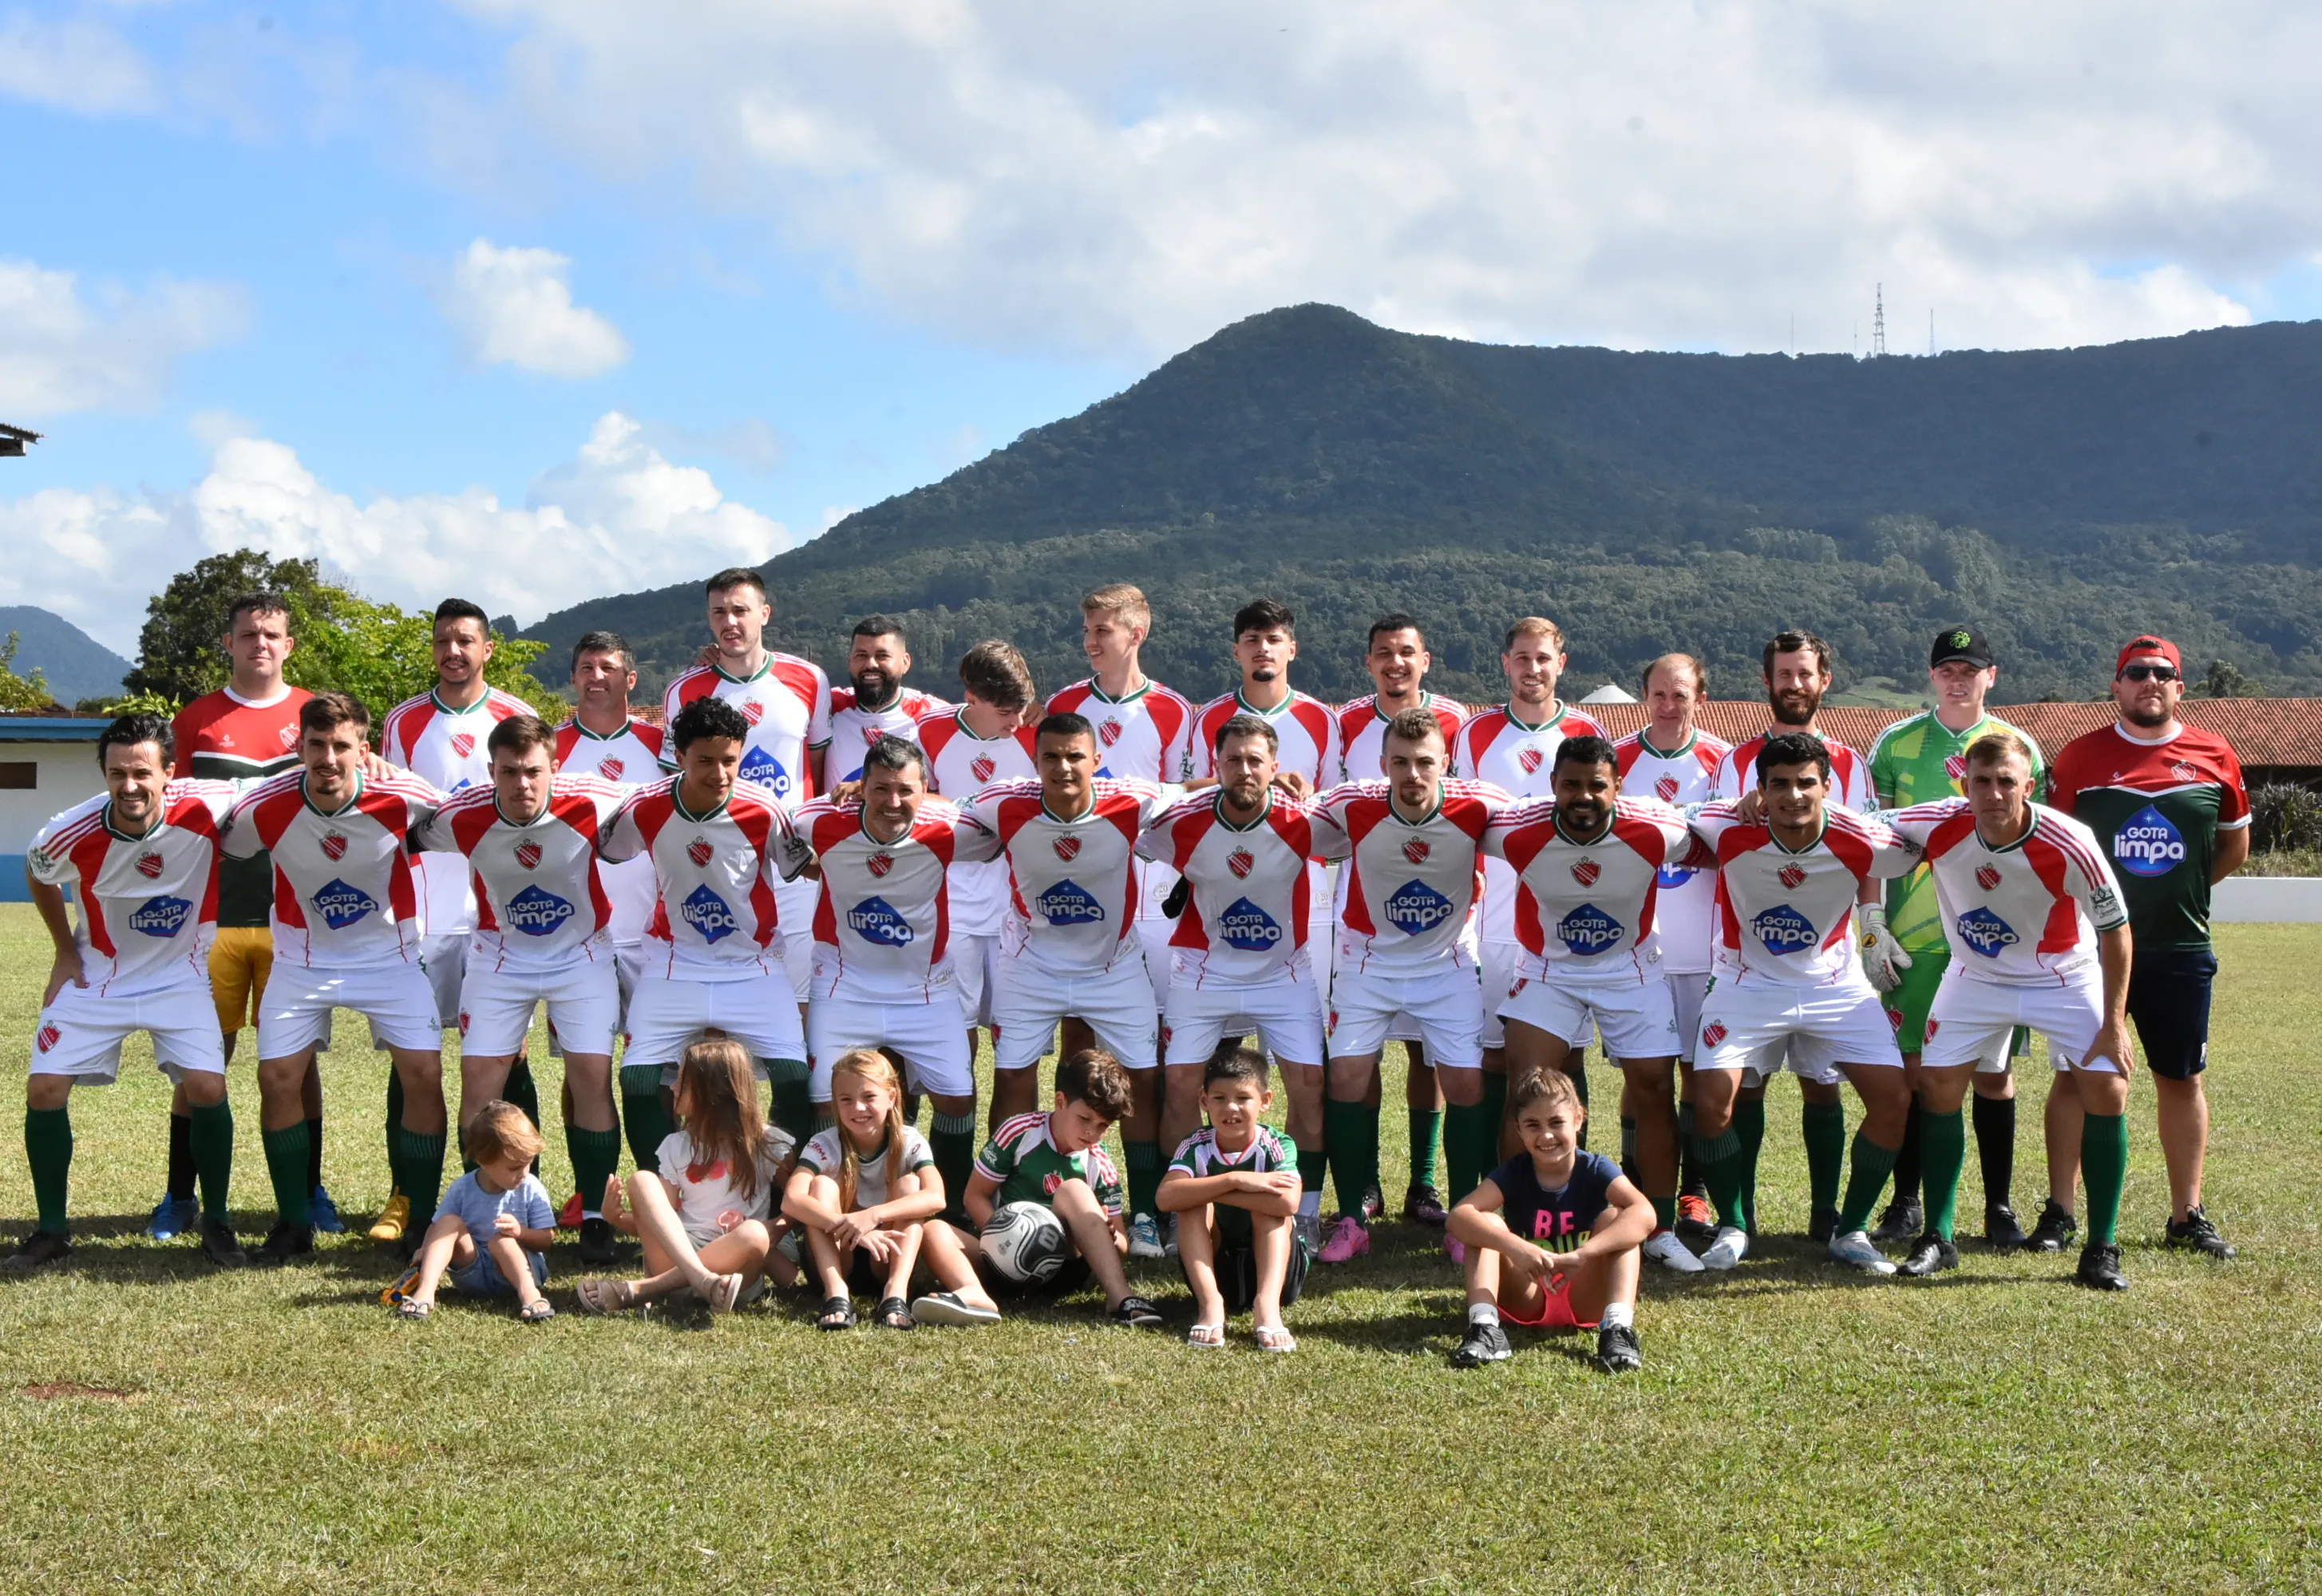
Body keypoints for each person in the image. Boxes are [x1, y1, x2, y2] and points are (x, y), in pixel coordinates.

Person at [1882, 733, 2138, 1287]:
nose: (1993, 793)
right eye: (1981, 781)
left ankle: (2101, 1246)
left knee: (2106, 1088)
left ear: (2029, 786)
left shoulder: (2071, 841)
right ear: (1964, 785)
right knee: (1937, 1086)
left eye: (2006, 782)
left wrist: (2114, 1023)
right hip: (1975, 976)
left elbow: (2116, 930)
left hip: (2061, 976)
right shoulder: (1936, 822)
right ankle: (1938, 1237)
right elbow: (1857, 825)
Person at [8, 716, 243, 1270]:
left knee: (207, 1086)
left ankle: (217, 1223)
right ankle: (51, 1231)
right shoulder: (69, 829)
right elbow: (38, 873)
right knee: (44, 1089)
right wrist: (65, 952)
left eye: (142, 773)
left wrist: (370, 764)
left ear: (169, 772)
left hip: (179, 976)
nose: (130, 785)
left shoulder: (209, 802)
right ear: (104, 775)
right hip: (99, 976)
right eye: (117, 774)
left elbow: (283, 784)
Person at [223, 693, 449, 1264]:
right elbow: (223, 838)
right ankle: (292, 1224)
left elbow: (460, 817)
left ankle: (420, 1221)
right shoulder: (265, 804)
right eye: (317, 745)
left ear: (363, 749)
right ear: (299, 748)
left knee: (424, 1073)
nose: (328, 758)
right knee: (277, 1078)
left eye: (341, 745)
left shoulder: (405, 794)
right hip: (302, 960)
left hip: (391, 956)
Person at [2046, 634, 2249, 1261]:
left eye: (2162, 673)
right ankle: (2060, 1213)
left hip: (2179, 948)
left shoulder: (2215, 754)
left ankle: (2186, 1215)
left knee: (2180, 1079)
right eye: (2135, 672)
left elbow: (2232, 847)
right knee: (2073, 1079)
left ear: (2179, 687)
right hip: (2089, 951)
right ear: (2116, 685)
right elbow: (2053, 850)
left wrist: (2177, 893)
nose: (2149, 682)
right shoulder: (2079, 757)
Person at [1687, 733, 1920, 1274]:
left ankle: (1850, 1230)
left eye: (1805, 783)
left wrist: (1872, 926)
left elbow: (1923, 838)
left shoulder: (1861, 836)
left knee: (1892, 1100)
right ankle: (1734, 1225)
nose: (1793, 795)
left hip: (1833, 985)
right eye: (1779, 784)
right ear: (1760, 790)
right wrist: (1736, 803)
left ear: (1827, 786)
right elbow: (1675, 815)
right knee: (1711, 1103)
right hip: (1746, 981)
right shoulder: (1728, 825)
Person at [952, 712, 1180, 1257]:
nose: (1063, 767)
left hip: (1113, 965)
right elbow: (939, 808)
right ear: (1035, 762)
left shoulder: (1131, 799)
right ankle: (1011, 1204)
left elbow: (1191, 793)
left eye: (1075, 756)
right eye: (1051, 757)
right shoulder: (1004, 801)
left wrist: (1266, 780)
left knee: (1143, 1080)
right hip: (1031, 965)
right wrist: (868, 790)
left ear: (1096, 760)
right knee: (1012, 1075)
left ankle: (1144, 1216)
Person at [1481, 736, 1703, 1274]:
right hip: (1548, 969)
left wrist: (1750, 804)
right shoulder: (1515, 828)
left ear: (1618, 787)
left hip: (1631, 968)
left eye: (1596, 785)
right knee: (1525, 1089)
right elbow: (1457, 816)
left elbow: (1716, 832)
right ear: (1552, 786)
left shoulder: (1656, 827)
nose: (1583, 796)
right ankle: (1523, 1226)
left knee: (1654, 1088)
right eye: (1571, 785)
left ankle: (1660, 1227)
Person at [416, 713, 628, 1263]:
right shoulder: (462, 814)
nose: (522, 784)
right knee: (479, 1086)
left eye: (533, 771)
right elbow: (405, 818)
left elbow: (662, 797)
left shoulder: (594, 798)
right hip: (500, 956)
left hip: (582, 954)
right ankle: (479, 1213)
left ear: (554, 767)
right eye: (509, 772)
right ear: (491, 771)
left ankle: (594, 1215)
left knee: (590, 1076)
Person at [1865, 627, 2048, 1250]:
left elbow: (2037, 847)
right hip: (1914, 938)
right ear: (1931, 675)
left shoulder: (2019, 748)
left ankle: (1998, 1206)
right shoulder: (1894, 744)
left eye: (1969, 670)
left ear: (1990, 676)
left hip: (1994, 939)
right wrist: (1871, 924)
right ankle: (1906, 1203)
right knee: (1915, 1074)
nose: (1957, 680)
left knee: (1992, 1076)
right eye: (1947, 669)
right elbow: (1875, 841)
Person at [160, 591, 334, 1239]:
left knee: (299, 1062)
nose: (259, 643)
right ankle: (181, 1196)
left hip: (297, 919)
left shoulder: (315, 713)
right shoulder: (196, 719)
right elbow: (169, 810)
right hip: (216, 915)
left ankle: (310, 1192)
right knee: (204, 1057)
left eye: (271, 634)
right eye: (247, 634)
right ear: (229, 644)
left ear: (288, 645)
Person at [1138, 713, 1349, 1250]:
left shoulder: (1305, 820)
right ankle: (1182, 1208)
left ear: (1275, 767)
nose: (1245, 770)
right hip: (1202, 970)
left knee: (1310, 1086)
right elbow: (1134, 826)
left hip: (1283, 972)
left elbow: (1360, 834)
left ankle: (1304, 1211)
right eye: (1233, 760)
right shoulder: (1178, 821)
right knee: (1180, 1085)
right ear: (1217, 766)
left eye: (1256, 760)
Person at [1315, 708, 1513, 1262]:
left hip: (1445, 965)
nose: (1413, 774)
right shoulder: (1352, 804)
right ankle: (1351, 1218)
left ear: (1445, 763)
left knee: (1465, 1082)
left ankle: (1464, 1220)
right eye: (1400, 762)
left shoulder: (1480, 803)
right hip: (1368, 962)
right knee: (1346, 1076)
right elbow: (1290, 817)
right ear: (1383, 764)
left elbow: (1539, 821)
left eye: (1425, 762)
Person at [374, 598, 533, 1246]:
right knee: (411, 1057)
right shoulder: (403, 720)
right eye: (443, 640)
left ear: (487, 649)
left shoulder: (515, 716)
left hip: (499, 919)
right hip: (425, 915)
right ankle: (406, 1196)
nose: (454, 651)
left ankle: (519, 1192)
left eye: (466, 640)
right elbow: (392, 811)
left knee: (509, 1057)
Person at [1710, 630, 1878, 1242]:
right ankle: (1740, 1214)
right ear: (1767, 681)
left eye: (1805, 674)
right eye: (1784, 674)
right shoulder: (1732, 761)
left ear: (1823, 680)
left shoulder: (1849, 762)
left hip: (1826, 954)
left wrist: (1872, 925)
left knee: (1822, 1085)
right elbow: (1717, 840)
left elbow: (1866, 849)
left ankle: (1824, 1212)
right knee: (1745, 1088)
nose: (1794, 684)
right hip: (1750, 955)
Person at [599, 696, 817, 1159]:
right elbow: (607, 848)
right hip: (674, 963)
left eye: (729, 761)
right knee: (637, 1077)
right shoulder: (644, 806)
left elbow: (806, 866)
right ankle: (663, 1186)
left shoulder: (765, 809)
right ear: (679, 757)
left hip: (753, 965)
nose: (719, 773)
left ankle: (777, 1190)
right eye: (704, 761)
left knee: (794, 1076)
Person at [661, 567, 831, 1131]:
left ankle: (790, 1152)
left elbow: (816, 770)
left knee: (797, 1012)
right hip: (718, 872)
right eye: (719, 612)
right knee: (713, 1025)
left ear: (765, 613)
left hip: (791, 868)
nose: (729, 622)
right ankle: (714, 1147)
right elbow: (672, 784)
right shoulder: (683, 690)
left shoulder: (809, 679)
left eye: (740, 610)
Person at [792, 736, 985, 1207]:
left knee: (957, 1095)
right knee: (824, 1097)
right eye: (880, 789)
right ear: (862, 787)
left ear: (925, 791)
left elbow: (991, 828)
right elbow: (788, 840)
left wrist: (932, 799)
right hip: (844, 986)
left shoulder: (949, 828)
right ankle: (829, 1203)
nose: (893, 802)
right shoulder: (819, 820)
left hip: (925, 990)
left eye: (905, 791)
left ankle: (950, 1206)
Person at [1332, 614, 1470, 1231]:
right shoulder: (1344, 735)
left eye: (1406, 651)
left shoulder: (1460, 734)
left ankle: (1429, 1186)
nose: (1395, 662)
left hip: (1443, 942)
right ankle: (1361, 1193)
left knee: (1434, 1060)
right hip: (1366, 938)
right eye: (1383, 652)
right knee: (1353, 1066)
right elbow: (1313, 813)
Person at [1459, 619, 1604, 1158]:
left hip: (1562, 926)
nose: (1532, 669)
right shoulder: (1475, 733)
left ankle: (1567, 1181)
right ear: (1506, 663)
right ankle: (1494, 1184)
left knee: (1567, 1057)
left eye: (1543, 658)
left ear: (1560, 663)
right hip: (1493, 923)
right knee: (1491, 1056)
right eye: (1522, 658)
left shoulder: (1586, 730)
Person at [1612, 654, 1732, 1245]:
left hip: (1704, 947)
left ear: (1699, 698)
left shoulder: (1722, 762)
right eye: (1658, 693)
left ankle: (1694, 1192)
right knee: (1642, 1075)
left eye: (1679, 695)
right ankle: (1634, 1185)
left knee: (1696, 1075)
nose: (1667, 705)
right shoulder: (1616, 759)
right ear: (1644, 696)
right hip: (1638, 948)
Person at [548, 630, 665, 1224]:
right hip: (579, 933)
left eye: (609, 667)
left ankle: (659, 1191)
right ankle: (588, 1190)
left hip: (652, 931)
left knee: (658, 1068)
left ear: (630, 678)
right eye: (587, 667)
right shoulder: (550, 747)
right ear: (573, 677)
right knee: (583, 1066)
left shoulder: (661, 744)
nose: (597, 677)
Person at [1446, 1070, 1649, 1373]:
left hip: (1585, 1294)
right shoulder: (1514, 1172)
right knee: (1485, 1223)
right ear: (1518, 1129)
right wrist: (1516, 1248)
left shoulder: (1595, 1168)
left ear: (1578, 1119)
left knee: (1619, 1219)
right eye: (1533, 1125)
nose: (1546, 1136)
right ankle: (1485, 1327)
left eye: (1556, 1122)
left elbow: (1644, 1213)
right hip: (1528, 1291)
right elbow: (1459, 1217)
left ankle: (1618, 1329)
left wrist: (1584, 1255)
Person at [579, 1037, 800, 1315]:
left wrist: (772, 1231)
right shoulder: (677, 1146)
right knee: (642, 1180)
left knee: (754, 1233)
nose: (673, 1086)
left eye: (683, 1080)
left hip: (735, 1275)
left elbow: (796, 1207)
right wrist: (616, 1218)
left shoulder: (770, 1145)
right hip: (680, 1254)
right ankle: (701, 1279)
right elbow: (661, 1222)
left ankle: (647, 1289)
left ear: (713, 1092)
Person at [784, 1049, 999, 1331]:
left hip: (887, 1255)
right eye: (846, 1100)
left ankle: (895, 1293)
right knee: (821, 1185)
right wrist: (851, 1227)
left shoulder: (910, 1141)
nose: (858, 1108)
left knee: (910, 1185)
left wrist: (873, 1215)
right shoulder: (823, 1143)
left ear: (892, 1097)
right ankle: (836, 1293)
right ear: (835, 1103)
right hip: (836, 1257)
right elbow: (792, 1199)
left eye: (869, 1097)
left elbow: (936, 1197)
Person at [952, 1047, 1164, 1327]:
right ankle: (974, 1293)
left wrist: (1111, 1236)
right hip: (999, 1258)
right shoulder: (1019, 1132)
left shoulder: (1099, 1162)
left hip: (1063, 1267)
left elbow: (1122, 1244)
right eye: (1085, 1119)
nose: (1091, 1133)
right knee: (935, 1231)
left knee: (1074, 1189)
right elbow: (974, 1195)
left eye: (1103, 1126)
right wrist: (1005, 1243)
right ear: (1061, 1101)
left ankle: (1120, 1297)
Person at [916, 641, 1041, 1096]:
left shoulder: (1036, 732)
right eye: (1006, 711)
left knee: (1017, 1041)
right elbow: (913, 796)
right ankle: (958, 1133)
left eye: (1022, 708)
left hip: (1020, 909)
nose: (1016, 721)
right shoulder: (930, 730)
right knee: (957, 1030)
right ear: (971, 698)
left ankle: (1018, 1138)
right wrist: (969, 810)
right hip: (955, 905)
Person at [1155, 1047, 1308, 1351]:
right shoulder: (1195, 1145)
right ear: (1204, 1101)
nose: (1231, 1108)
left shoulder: (1276, 1144)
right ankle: (1211, 1305)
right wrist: (1235, 1180)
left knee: (1268, 1208)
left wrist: (1224, 1193)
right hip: (1217, 1268)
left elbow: (1289, 1204)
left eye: (1243, 1098)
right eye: (1220, 1098)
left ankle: (1268, 1308)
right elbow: (1165, 1197)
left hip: (1279, 1276)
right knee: (1191, 1204)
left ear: (1265, 1101)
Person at [391, 1100, 556, 1322]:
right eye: (514, 1168)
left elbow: (547, 1239)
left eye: (528, 1163)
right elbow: (437, 1227)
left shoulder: (530, 1187)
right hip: (472, 1272)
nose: (524, 1173)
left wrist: (521, 1233)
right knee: (449, 1222)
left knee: (502, 1241)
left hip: (519, 1271)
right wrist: (424, 1249)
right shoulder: (463, 1188)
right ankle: (425, 1292)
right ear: (483, 1161)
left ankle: (530, 1296)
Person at [824, 615, 949, 788]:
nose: (871, 664)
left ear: (905, 663)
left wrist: (871, 791)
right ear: (850, 661)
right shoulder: (827, 706)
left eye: (882, 656)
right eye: (861, 655)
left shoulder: (934, 716)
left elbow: (957, 796)